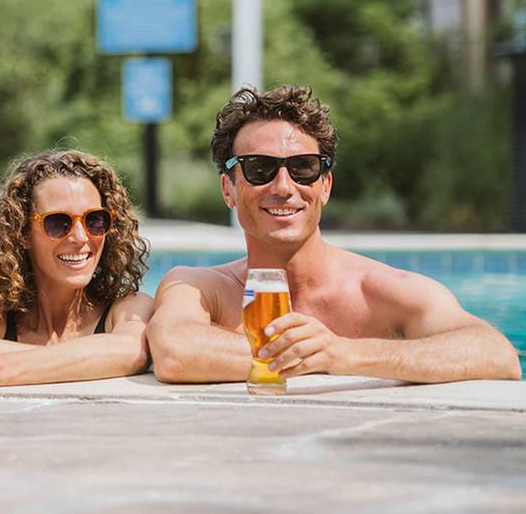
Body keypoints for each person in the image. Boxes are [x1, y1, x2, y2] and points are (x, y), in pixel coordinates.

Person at [147, 85, 521, 384]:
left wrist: (343, 354)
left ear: (324, 186)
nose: (284, 186)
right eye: (260, 168)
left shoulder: (381, 290)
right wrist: (306, 355)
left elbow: (495, 353)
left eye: (303, 168)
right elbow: (176, 350)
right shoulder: (200, 287)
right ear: (228, 188)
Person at [0, 149, 154, 388]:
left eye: (95, 220)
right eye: (58, 222)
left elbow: (133, 350)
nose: (80, 237)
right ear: (23, 233)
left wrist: (2, 368)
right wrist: (90, 358)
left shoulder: (129, 306)